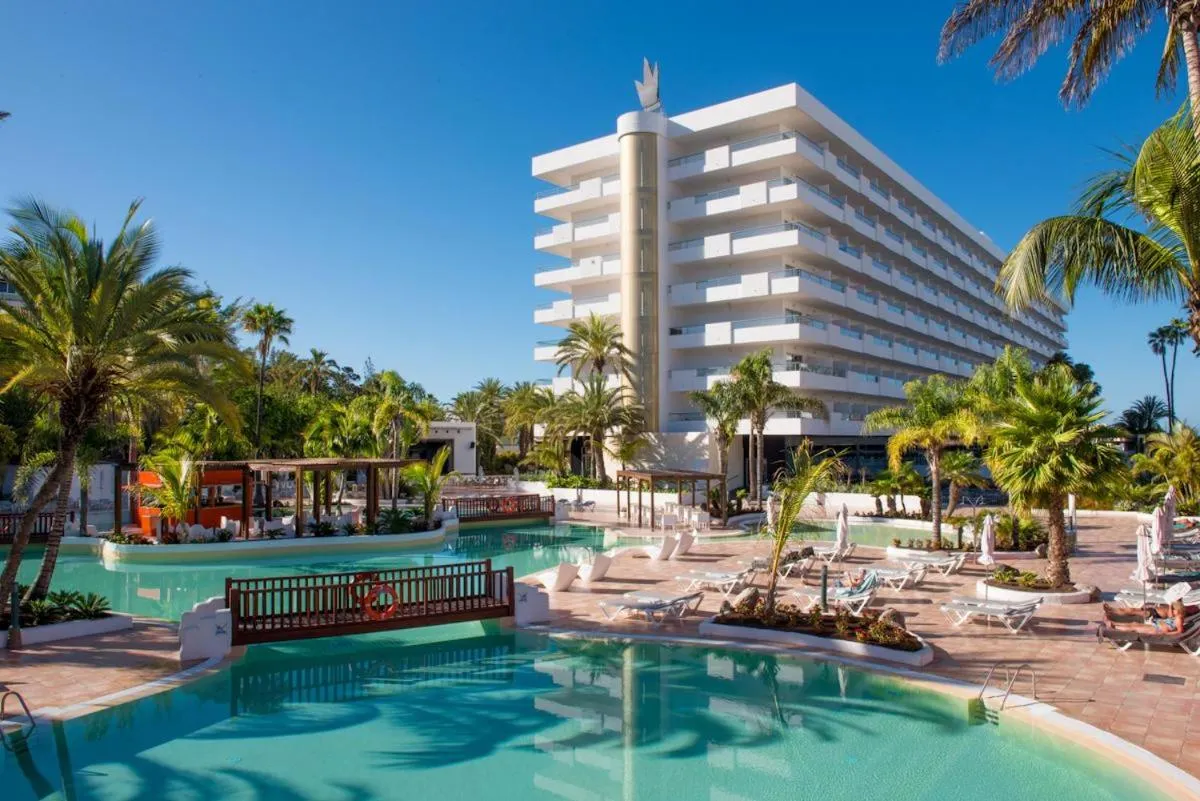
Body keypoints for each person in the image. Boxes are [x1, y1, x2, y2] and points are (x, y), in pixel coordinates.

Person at [1102, 600, 1186, 636]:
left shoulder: (1179, 619)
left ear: (1177, 610)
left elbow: (1180, 631)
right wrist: (1171, 605)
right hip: (1156, 624)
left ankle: (1114, 626)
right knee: (1134, 624)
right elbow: (1171, 618)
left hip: (1157, 629)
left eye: (1174, 609)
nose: (1172, 610)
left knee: (1135, 627)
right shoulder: (1177, 617)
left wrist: (1166, 634)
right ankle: (1114, 623)